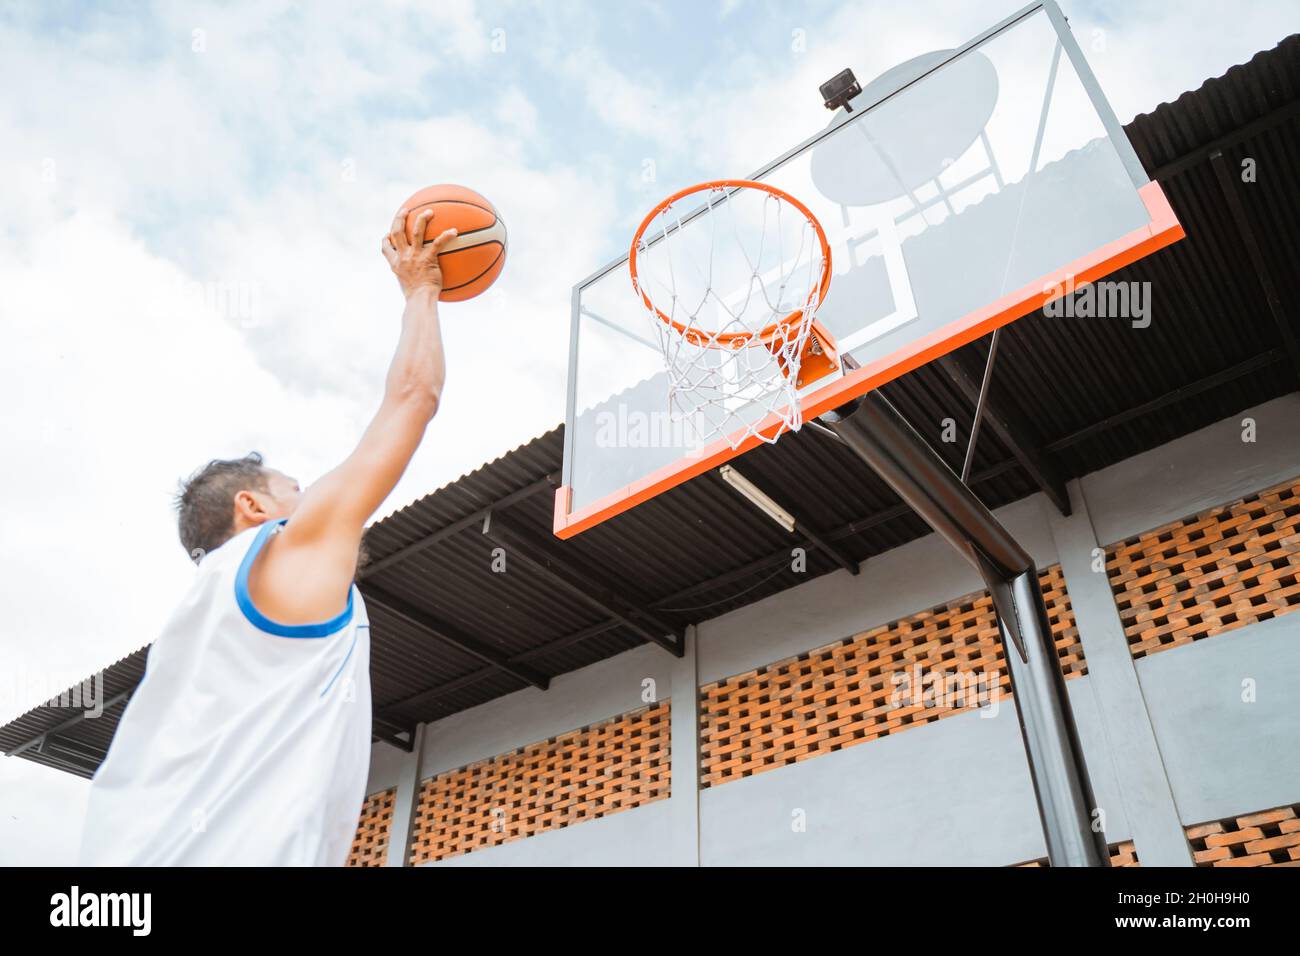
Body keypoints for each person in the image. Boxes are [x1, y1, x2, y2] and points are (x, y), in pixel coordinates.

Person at [79, 209, 457, 865]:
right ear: (253, 507)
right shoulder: (281, 556)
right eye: (296, 489)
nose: (313, 502)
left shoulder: (197, 626)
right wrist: (422, 289)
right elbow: (414, 397)